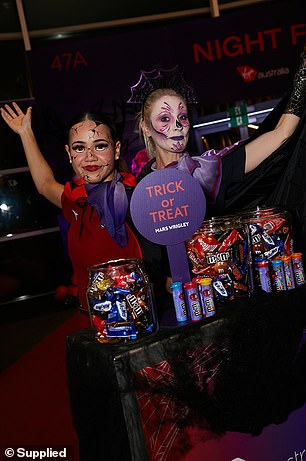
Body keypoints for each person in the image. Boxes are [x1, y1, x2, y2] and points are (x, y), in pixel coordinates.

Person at [127, 43, 306, 310]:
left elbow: (280, 135)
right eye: (164, 118)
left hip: (235, 296)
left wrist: (304, 73)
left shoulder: (210, 168)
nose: (177, 126)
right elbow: (155, 270)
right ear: (145, 127)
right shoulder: (142, 192)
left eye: (183, 116)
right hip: (188, 307)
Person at [0, 105, 142, 323]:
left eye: (100, 145)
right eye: (79, 148)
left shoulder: (138, 198)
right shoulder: (76, 200)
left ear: (116, 149)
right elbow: (45, 184)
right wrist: (26, 133)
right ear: (69, 154)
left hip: (137, 319)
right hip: (92, 323)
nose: (90, 157)